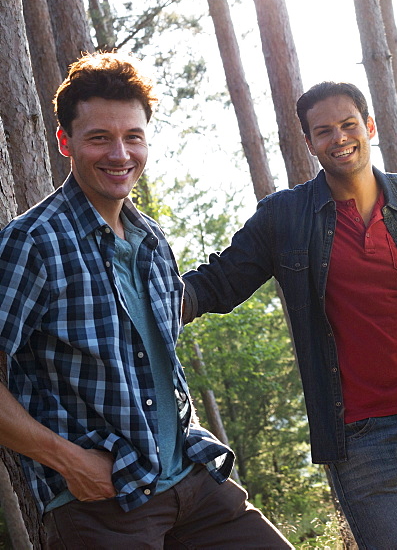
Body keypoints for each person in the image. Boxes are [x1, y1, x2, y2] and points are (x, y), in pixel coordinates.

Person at [0, 53, 290, 548]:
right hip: (103, 504)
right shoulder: (32, 243)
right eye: (99, 138)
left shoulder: (150, 239)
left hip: (193, 481)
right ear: (65, 143)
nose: (120, 154)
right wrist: (69, 462)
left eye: (133, 137)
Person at [181, 81, 397, 548]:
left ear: (370, 126)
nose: (339, 138)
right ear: (309, 143)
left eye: (348, 125)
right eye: (323, 131)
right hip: (363, 438)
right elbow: (214, 286)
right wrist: (131, 301)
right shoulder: (285, 217)